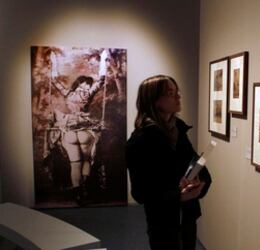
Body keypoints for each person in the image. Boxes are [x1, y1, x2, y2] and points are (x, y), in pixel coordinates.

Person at [126, 75, 212, 250]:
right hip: (163, 220)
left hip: (187, 215)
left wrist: (199, 181)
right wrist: (178, 196)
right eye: (171, 93)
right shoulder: (140, 141)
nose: (178, 97)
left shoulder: (178, 130)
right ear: (155, 101)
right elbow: (141, 193)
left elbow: (196, 163)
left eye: (177, 92)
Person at [45, 50, 110, 205]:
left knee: (75, 163)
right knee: (86, 160)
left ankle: (77, 192)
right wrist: (103, 60)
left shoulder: (68, 93)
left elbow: (54, 80)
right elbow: (101, 80)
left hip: (69, 132)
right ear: (86, 84)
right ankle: (84, 188)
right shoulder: (88, 94)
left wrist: (53, 62)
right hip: (85, 132)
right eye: (87, 83)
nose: (87, 86)